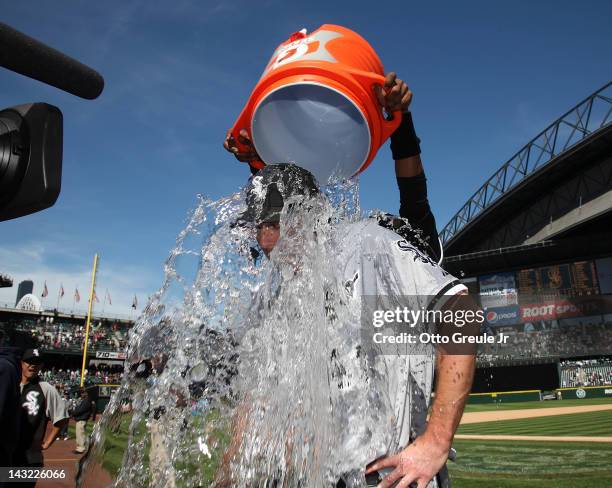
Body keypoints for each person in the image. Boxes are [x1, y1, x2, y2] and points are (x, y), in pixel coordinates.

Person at [225, 72, 442, 262]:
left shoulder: (379, 256)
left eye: (273, 226)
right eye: (259, 228)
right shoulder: (284, 292)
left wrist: (400, 120)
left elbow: (415, 201)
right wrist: (260, 155)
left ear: (308, 223)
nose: (264, 243)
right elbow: (278, 198)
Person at [15, 349, 69, 485]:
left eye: (37, 363)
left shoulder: (46, 389)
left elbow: (61, 418)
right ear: (21, 363)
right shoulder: (10, 383)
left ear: (41, 366)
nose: (32, 365)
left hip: (30, 458)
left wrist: (46, 443)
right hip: (6, 453)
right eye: (29, 361)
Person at [72, 388, 96, 454]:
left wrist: (73, 412)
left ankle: (81, 449)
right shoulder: (86, 400)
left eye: (83, 393)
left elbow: (80, 410)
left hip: (82, 419)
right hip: (81, 419)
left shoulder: (87, 401)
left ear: (86, 393)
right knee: (80, 434)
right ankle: (81, 447)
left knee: (80, 434)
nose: (82, 394)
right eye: (82, 393)